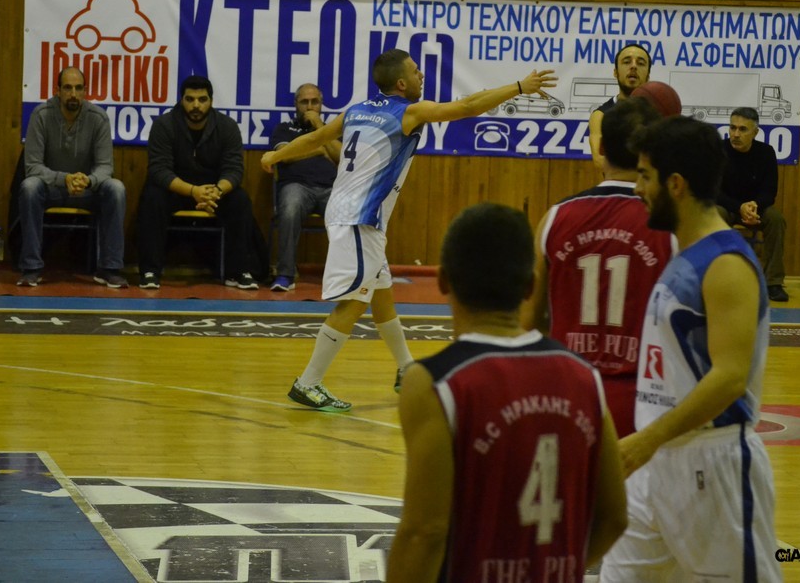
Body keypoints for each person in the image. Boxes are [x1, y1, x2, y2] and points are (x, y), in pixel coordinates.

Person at [261, 49, 556, 411]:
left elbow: (316, 138)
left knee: (381, 295)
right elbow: (468, 107)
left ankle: (406, 368)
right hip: (358, 218)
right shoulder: (408, 112)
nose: (421, 76)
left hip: (351, 214)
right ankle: (308, 382)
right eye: (416, 71)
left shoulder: (355, 110)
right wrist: (519, 87)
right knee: (355, 301)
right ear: (401, 83)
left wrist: (275, 156)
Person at [387, 203, 627, 583]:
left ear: (443, 281)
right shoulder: (584, 376)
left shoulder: (434, 382)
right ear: (531, 285)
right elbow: (614, 517)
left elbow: (424, 533)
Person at [600, 116, 782, 583]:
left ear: (676, 184)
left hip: (714, 467)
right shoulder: (683, 253)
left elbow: (730, 378)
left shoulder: (726, 264)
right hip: (657, 465)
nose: (638, 188)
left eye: (645, 176)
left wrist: (647, 439)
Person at [523, 98, 674, 438]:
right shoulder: (670, 225)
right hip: (644, 402)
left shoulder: (555, 218)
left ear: (601, 147)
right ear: (652, 151)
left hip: (569, 394)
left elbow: (529, 321)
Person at [137, 75, 266, 290]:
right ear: (181, 100)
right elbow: (159, 170)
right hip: (176, 189)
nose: (196, 105)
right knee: (152, 196)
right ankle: (150, 271)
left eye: (202, 99)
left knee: (240, 199)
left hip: (213, 192)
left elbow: (234, 170)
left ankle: (238, 272)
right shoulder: (164, 124)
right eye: (190, 99)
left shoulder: (227, 126)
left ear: (211, 101)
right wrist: (193, 191)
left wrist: (217, 191)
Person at [16, 67, 127, 288]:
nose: (73, 94)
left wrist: (88, 181)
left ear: (85, 91)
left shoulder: (98, 117)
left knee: (116, 188)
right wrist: (64, 179)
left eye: (78, 88)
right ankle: (31, 268)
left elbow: (105, 167)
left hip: (87, 190)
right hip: (52, 189)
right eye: (67, 88)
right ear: (57, 91)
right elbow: (33, 167)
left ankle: (109, 269)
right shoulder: (41, 115)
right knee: (29, 187)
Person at [268, 83, 339, 292]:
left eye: (314, 102)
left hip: (331, 188)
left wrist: (319, 127)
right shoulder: (285, 129)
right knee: (290, 209)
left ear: (321, 104)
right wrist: (319, 150)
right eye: (304, 102)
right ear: (295, 104)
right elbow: (284, 156)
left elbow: (341, 156)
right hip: (296, 186)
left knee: (348, 211)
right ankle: (285, 275)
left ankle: (345, 276)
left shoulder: (332, 130)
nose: (309, 107)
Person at [716, 106, 789, 302]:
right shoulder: (719, 150)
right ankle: (716, 276)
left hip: (756, 208)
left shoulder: (766, 153)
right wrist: (739, 208)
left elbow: (770, 191)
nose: (736, 134)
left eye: (742, 129)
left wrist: (754, 206)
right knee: (714, 214)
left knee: (776, 219)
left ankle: (773, 282)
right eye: (732, 128)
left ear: (755, 133)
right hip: (728, 207)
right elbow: (713, 191)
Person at [587, 44, 651, 170]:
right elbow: (599, 160)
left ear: (648, 76)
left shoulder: (657, 112)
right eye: (627, 62)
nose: (633, 66)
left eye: (640, 63)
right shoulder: (601, 116)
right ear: (615, 72)